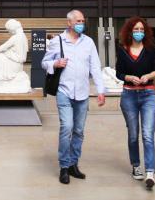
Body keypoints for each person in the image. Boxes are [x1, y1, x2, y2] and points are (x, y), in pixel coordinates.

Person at [41, 10, 106, 185]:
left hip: (83, 94)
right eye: (78, 21)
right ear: (69, 23)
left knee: (78, 130)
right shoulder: (57, 41)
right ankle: (64, 166)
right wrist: (55, 63)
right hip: (64, 91)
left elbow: (95, 67)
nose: (81, 24)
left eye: (83, 21)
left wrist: (100, 90)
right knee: (67, 127)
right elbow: (44, 62)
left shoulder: (89, 42)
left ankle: (73, 164)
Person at [115, 16, 155, 189]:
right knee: (133, 134)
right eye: (136, 30)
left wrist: (148, 76)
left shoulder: (151, 49)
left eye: (142, 30)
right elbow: (119, 73)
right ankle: (136, 165)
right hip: (129, 96)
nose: (139, 32)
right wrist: (128, 77)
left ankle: (150, 172)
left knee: (148, 134)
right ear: (130, 31)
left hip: (148, 94)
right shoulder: (123, 50)